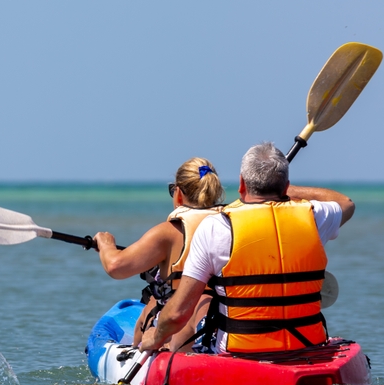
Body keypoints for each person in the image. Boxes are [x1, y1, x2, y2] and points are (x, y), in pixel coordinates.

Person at [139, 142, 355, 355]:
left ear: (242, 184)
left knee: (202, 304)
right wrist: (285, 188)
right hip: (306, 346)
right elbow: (345, 203)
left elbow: (178, 313)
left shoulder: (217, 227)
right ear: (285, 186)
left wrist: (155, 337)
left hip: (240, 352)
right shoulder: (314, 216)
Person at [93, 157, 224, 352]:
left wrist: (106, 245)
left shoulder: (169, 232)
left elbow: (115, 266)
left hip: (177, 331)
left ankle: (140, 349)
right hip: (223, 321)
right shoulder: (231, 225)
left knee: (153, 304)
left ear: (178, 194)